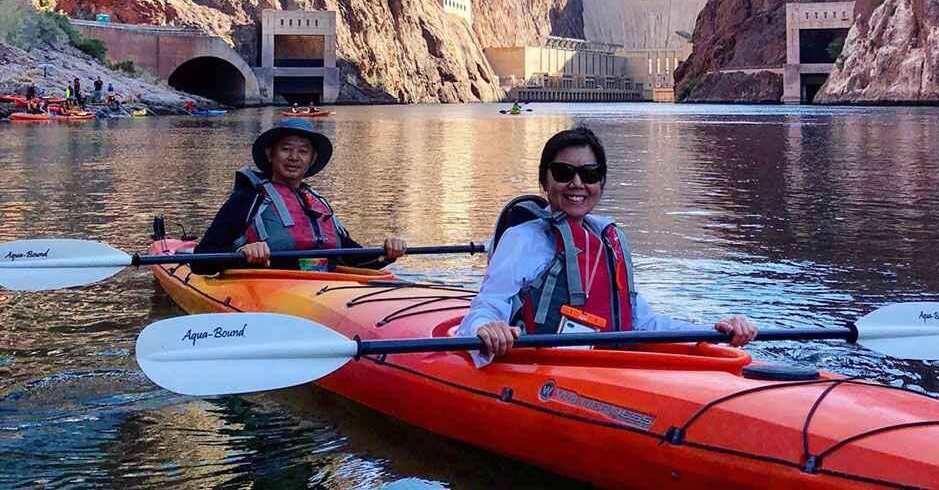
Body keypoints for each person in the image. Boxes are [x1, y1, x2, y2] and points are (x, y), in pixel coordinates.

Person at [457, 126, 757, 367]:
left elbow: (641, 321)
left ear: (601, 182)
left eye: (589, 175)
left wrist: (713, 332)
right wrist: (487, 327)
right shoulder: (522, 239)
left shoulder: (607, 242)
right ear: (545, 180)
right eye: (563, 173)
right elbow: (489, 304)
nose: (577, 183)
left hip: (607, 368)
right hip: (540, 368)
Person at [191, 119, 408, 275]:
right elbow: (201, 262)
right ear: (270, 154)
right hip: (269, 289)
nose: (294, 158)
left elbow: (355, 258)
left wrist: (388, 252)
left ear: (312, 159)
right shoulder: (248, 199)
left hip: (325, 290)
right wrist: (242, 252)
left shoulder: (318, 203)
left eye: (303, 152)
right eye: (286, 149)